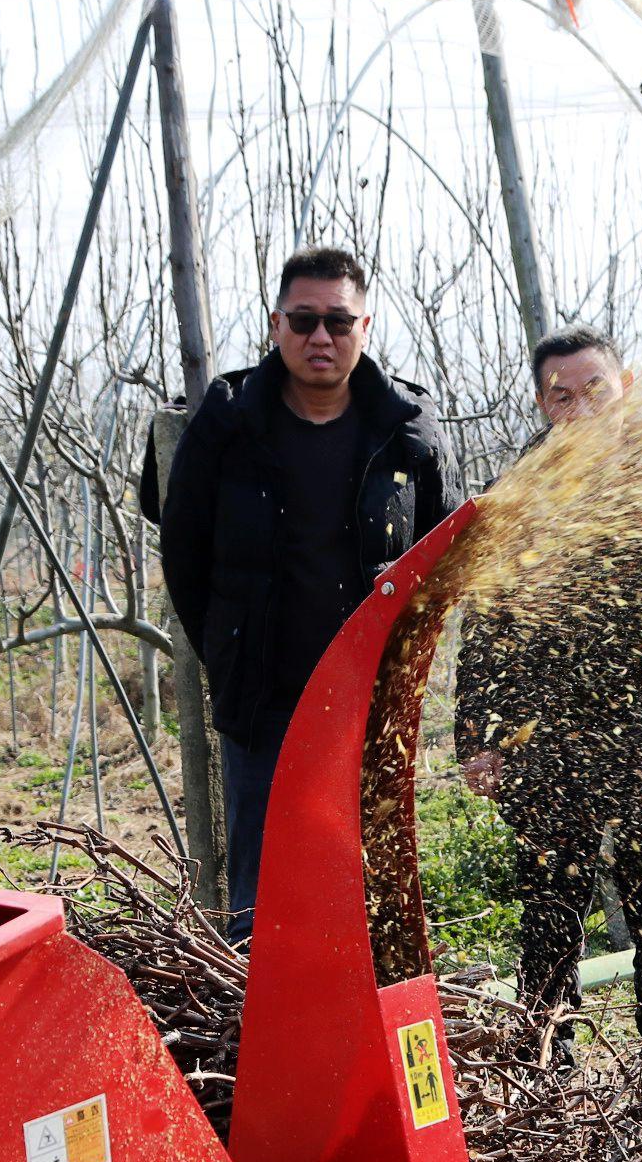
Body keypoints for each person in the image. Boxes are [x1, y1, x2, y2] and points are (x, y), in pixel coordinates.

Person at [452, 327, 642, 1087]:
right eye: (563, 394)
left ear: (625, 387)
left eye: (595, 388)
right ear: (543, 404)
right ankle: (544, 1078)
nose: (580, 405)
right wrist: (477, 734)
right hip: (545, 738)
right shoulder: (518, 493)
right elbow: (485, 624)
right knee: (551, 919)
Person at [159, 246, 463, 942]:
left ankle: (367, 1027)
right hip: (264, 695)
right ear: (275, 325)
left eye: (337, 320)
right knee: (266, 886)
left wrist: (401, 663)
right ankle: (264, 1029)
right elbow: (184, 550)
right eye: (303, 321)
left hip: (372, 700)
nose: (319, 337)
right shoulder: (230, 424)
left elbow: (440, 557)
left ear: (365, 326)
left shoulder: (406, 428)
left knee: (374, 880)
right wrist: (227, 648)